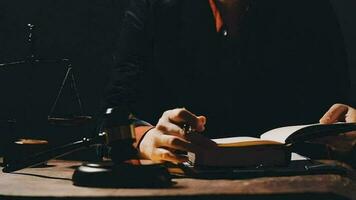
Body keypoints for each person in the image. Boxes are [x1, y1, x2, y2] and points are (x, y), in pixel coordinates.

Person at [105, 0, 352, 164]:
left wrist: (348, 124)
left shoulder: (309, 8)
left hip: (297, 183)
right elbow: (116, 110)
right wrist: (145, 138)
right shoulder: (155, 6)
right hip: (183, 181)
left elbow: (340, 103)